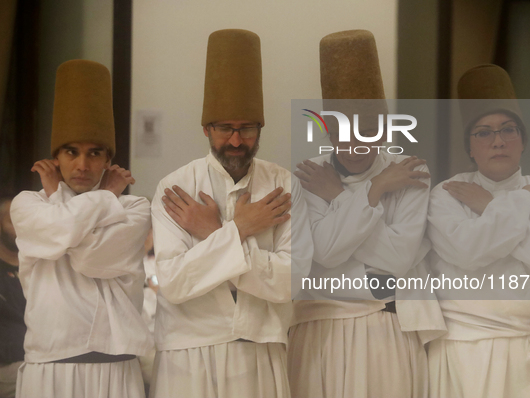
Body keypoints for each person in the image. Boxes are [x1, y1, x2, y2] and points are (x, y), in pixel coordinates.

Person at [149, 29, 311, 398]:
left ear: (260, 128)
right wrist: (239, 228)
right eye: (225, 128)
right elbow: (173, 282)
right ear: (206, 128)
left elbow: (292, 280)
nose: (236, 141)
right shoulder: (175, 188)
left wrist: (215, 232)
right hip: (187, 352)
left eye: (246, 129)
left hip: (262, 346)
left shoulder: (284, 185)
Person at [288, 30, 446, 398]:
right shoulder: (310, 175)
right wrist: (373, 192)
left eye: (370, 130)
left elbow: (398, 259)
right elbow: (324, 253)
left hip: (388, 330)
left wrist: (339, 197)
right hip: (319, 330)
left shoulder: (408, 173)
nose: (358, 143)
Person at [427, 64, 530, 398]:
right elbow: (467, 252)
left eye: (508, 129)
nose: (497, 141)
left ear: (523, 141)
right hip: (464, 347)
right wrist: (521, 202)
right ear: (470, 147)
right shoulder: (447, 193)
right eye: (483, 132)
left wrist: (490, 208)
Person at [10, 60, 153, 398]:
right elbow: (61, 229)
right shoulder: (27, 204)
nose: (83, 165)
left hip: (117, 364)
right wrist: (106, 195)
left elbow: (91, 259)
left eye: (95, 153)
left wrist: (63, 202)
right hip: (51, 362)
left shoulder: (134, 206)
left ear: (108, 160)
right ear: (56, 157)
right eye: (71, 152)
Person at [0, 194, 25, 398]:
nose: (20, 226)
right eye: (11, 220)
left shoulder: (41, 267)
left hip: (41, 356)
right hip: (8, 363)